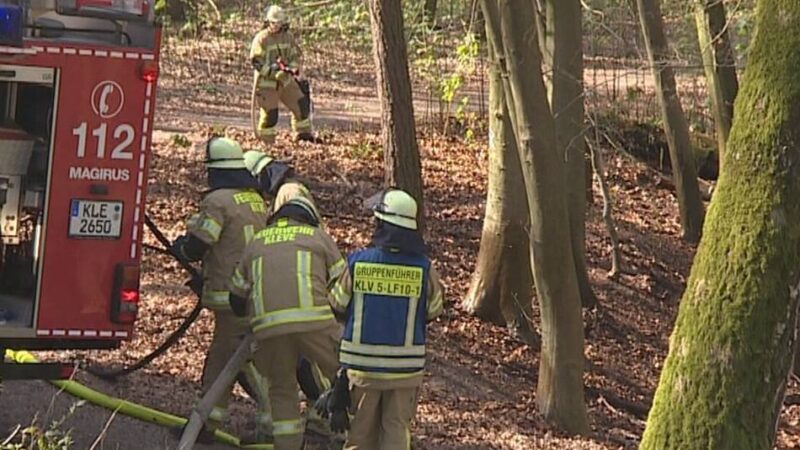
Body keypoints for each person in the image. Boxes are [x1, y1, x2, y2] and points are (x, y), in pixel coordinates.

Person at [229, 185, 349, 449]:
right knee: (343, 374)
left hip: (268, 327)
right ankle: (349, 437)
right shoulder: (318, 237)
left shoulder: (257, 241)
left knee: (281, 388)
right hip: (314, 322)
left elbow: (236, 296)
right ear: (308, 217)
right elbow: (343, 284)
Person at [172, 137, 272, 442]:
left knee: (226, 360)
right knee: (239, 357)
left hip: (232, 296)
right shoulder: (255, 199)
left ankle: (214, 424)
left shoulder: (217, 202)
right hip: (256, 291)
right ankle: (212, 420)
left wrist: (182, 249)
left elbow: (201, 243)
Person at [331, 188, 445, 450]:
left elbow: (337, 303)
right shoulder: (424, 268)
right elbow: (434, 310)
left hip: (362, 370)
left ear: (383, 224)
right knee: (396, 431)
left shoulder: (358, 263)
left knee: (359, 435)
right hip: (406, 371)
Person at [250, 5, 320, 145]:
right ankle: (266, 142)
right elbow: (256, 62)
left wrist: (292, 68)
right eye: (273, 23)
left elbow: (295, 55)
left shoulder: (287, 37)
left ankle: (303, 135)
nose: (276, 26)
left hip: (286, 80)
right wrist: (272, 73)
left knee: (301, 105)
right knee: (270, 116)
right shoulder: (261, 39)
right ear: (268, 22)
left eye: (279, 23)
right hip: (267, 85)